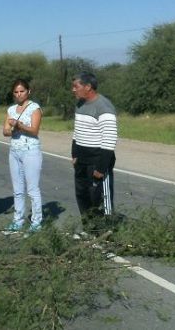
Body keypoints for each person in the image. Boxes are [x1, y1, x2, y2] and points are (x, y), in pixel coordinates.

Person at [71, 71, 118, 233]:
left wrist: (101, 168)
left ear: (88, 87)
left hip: (97, 161)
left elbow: (110, 139)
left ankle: (105, 235)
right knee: (83, 197)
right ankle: (89, 231)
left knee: (100, 201)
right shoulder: (80, 105)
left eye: (76, 86)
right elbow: (76, 132)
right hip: (82, 162)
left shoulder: (104, 107)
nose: (73, 90)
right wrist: (74, 155)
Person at [1, 79, 44, 234]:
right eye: (16, 92)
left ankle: (36, 222)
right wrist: (12, 128)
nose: (19, 94)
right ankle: (17, 220)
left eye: (22, 91)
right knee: (17, 189)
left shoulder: (34, 108)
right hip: (14, 151)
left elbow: (34, 130)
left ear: (28, 91)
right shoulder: (11, 109)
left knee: (32, 189)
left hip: (30, 151)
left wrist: (19, 126)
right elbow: (5, 131)